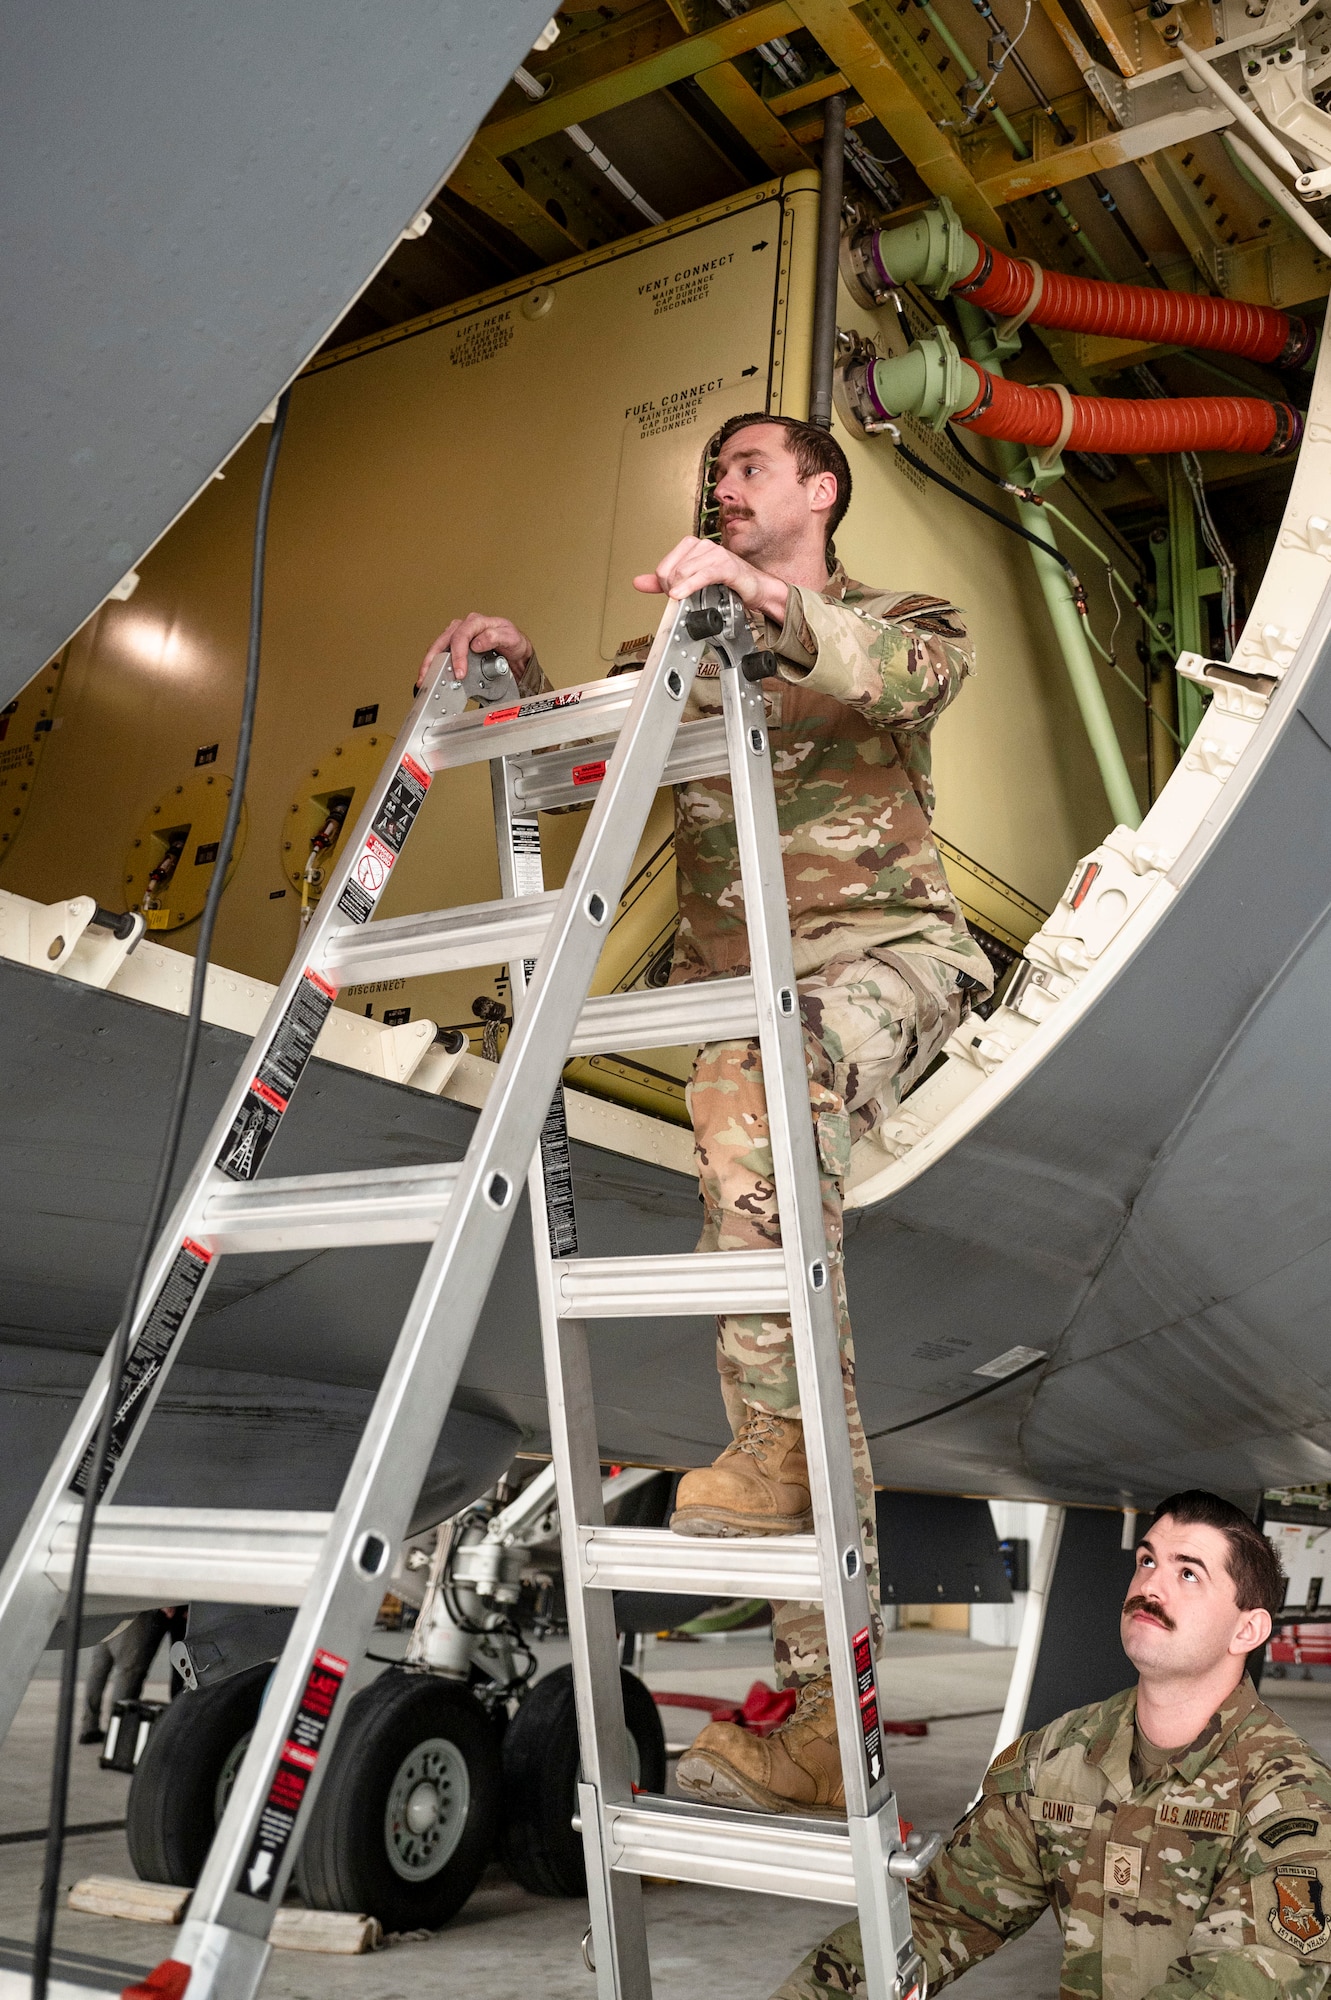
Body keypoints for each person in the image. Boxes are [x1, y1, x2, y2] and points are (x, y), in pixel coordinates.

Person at [419, 412, 992, 1814]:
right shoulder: (678, 642)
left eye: (746, 466)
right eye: (712, 473)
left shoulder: (892, 618)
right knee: (796, 1307)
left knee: (756, 1084)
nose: (719, 485)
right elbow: (583, 751)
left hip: (880, 961)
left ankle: (770, 1472)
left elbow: (905, 679)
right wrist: (516, 674)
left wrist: (761, 604)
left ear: (818, 488)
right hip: (734, 1007)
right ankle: (815, 1693)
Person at [770, 1489, 1331, 2000]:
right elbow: (945, 1914)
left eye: (1188, 1574)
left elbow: (1249, 1981)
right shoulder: (1058, 1756)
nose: (1149, 1586)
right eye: (1147, 1560)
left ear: (1248, 1630)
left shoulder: (1290, 1798)